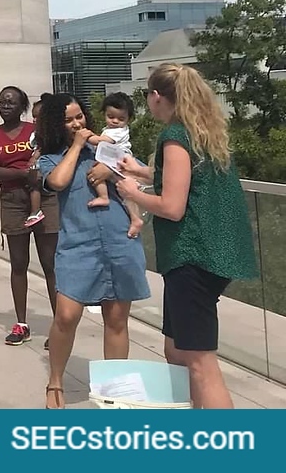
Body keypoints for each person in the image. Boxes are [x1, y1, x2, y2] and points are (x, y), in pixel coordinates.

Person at [107, 64, 258, 409]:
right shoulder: (203, 131)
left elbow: (172, 206)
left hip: (193, 257)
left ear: (158, 97)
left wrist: (132, 191)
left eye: (148, 95)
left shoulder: (174, 136)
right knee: (175, 349)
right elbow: (188, 181)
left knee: (200, 362)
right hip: (216, 253)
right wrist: (143, 171)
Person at [37, 93, 150, 410]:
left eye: (79, 117)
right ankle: (55, 380)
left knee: (116, 319)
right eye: (68, 120)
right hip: (78, 244)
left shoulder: (106, 147)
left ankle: (114, 389)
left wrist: (109, 171)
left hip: (118, 240)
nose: (77, 124)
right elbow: (57, 182)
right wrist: (75, 146)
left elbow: (141, 175)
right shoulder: (49, 157)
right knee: (66, 316)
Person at [0, 86, 58, 347]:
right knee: (18, 263)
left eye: (11, 102)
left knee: (50, 264)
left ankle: (59, 326)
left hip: (44, 198)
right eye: (1, 101)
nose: (5, 105)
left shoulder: (35, 129)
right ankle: (21, 324)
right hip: (12, 201)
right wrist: (24, 174)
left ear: (22, 105)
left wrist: (34, 175)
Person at [85, 92, 144, 238]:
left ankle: (135, 218)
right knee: (98, 175)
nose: (115, 121)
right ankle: (104, 197)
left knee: (127, 191)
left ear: (128, 119)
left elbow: (101, 141)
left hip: (119, 161)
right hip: (112, 159)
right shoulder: (109, 129)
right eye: (110, 117)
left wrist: (85, 135)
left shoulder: (118, 131)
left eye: (121, 118)